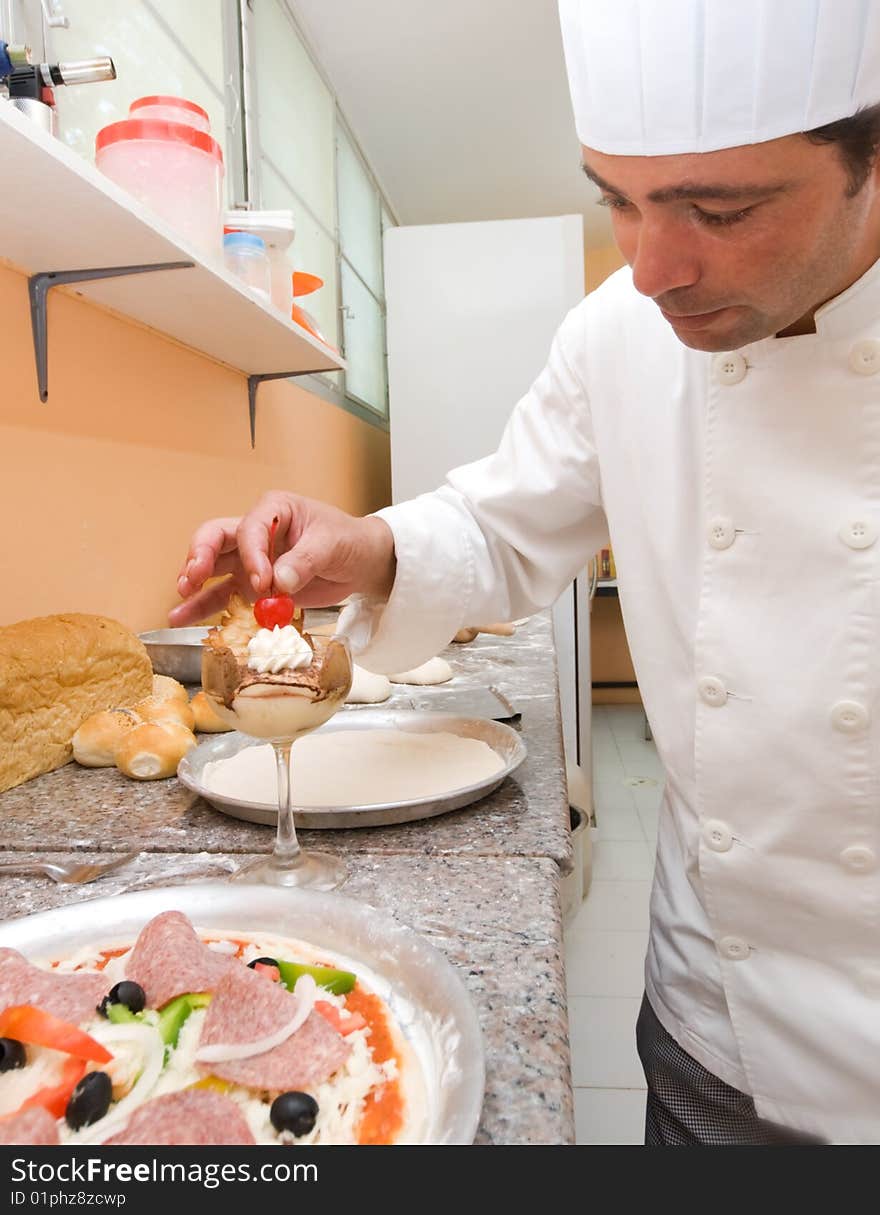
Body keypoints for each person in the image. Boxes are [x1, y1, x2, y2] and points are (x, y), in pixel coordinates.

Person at [172, 0, 880, 1145]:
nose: (652, 267)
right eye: (617, 197)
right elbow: (504, 528)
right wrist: (373, 546)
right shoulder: (616, 331)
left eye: (720, 208)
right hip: (720, 1017)